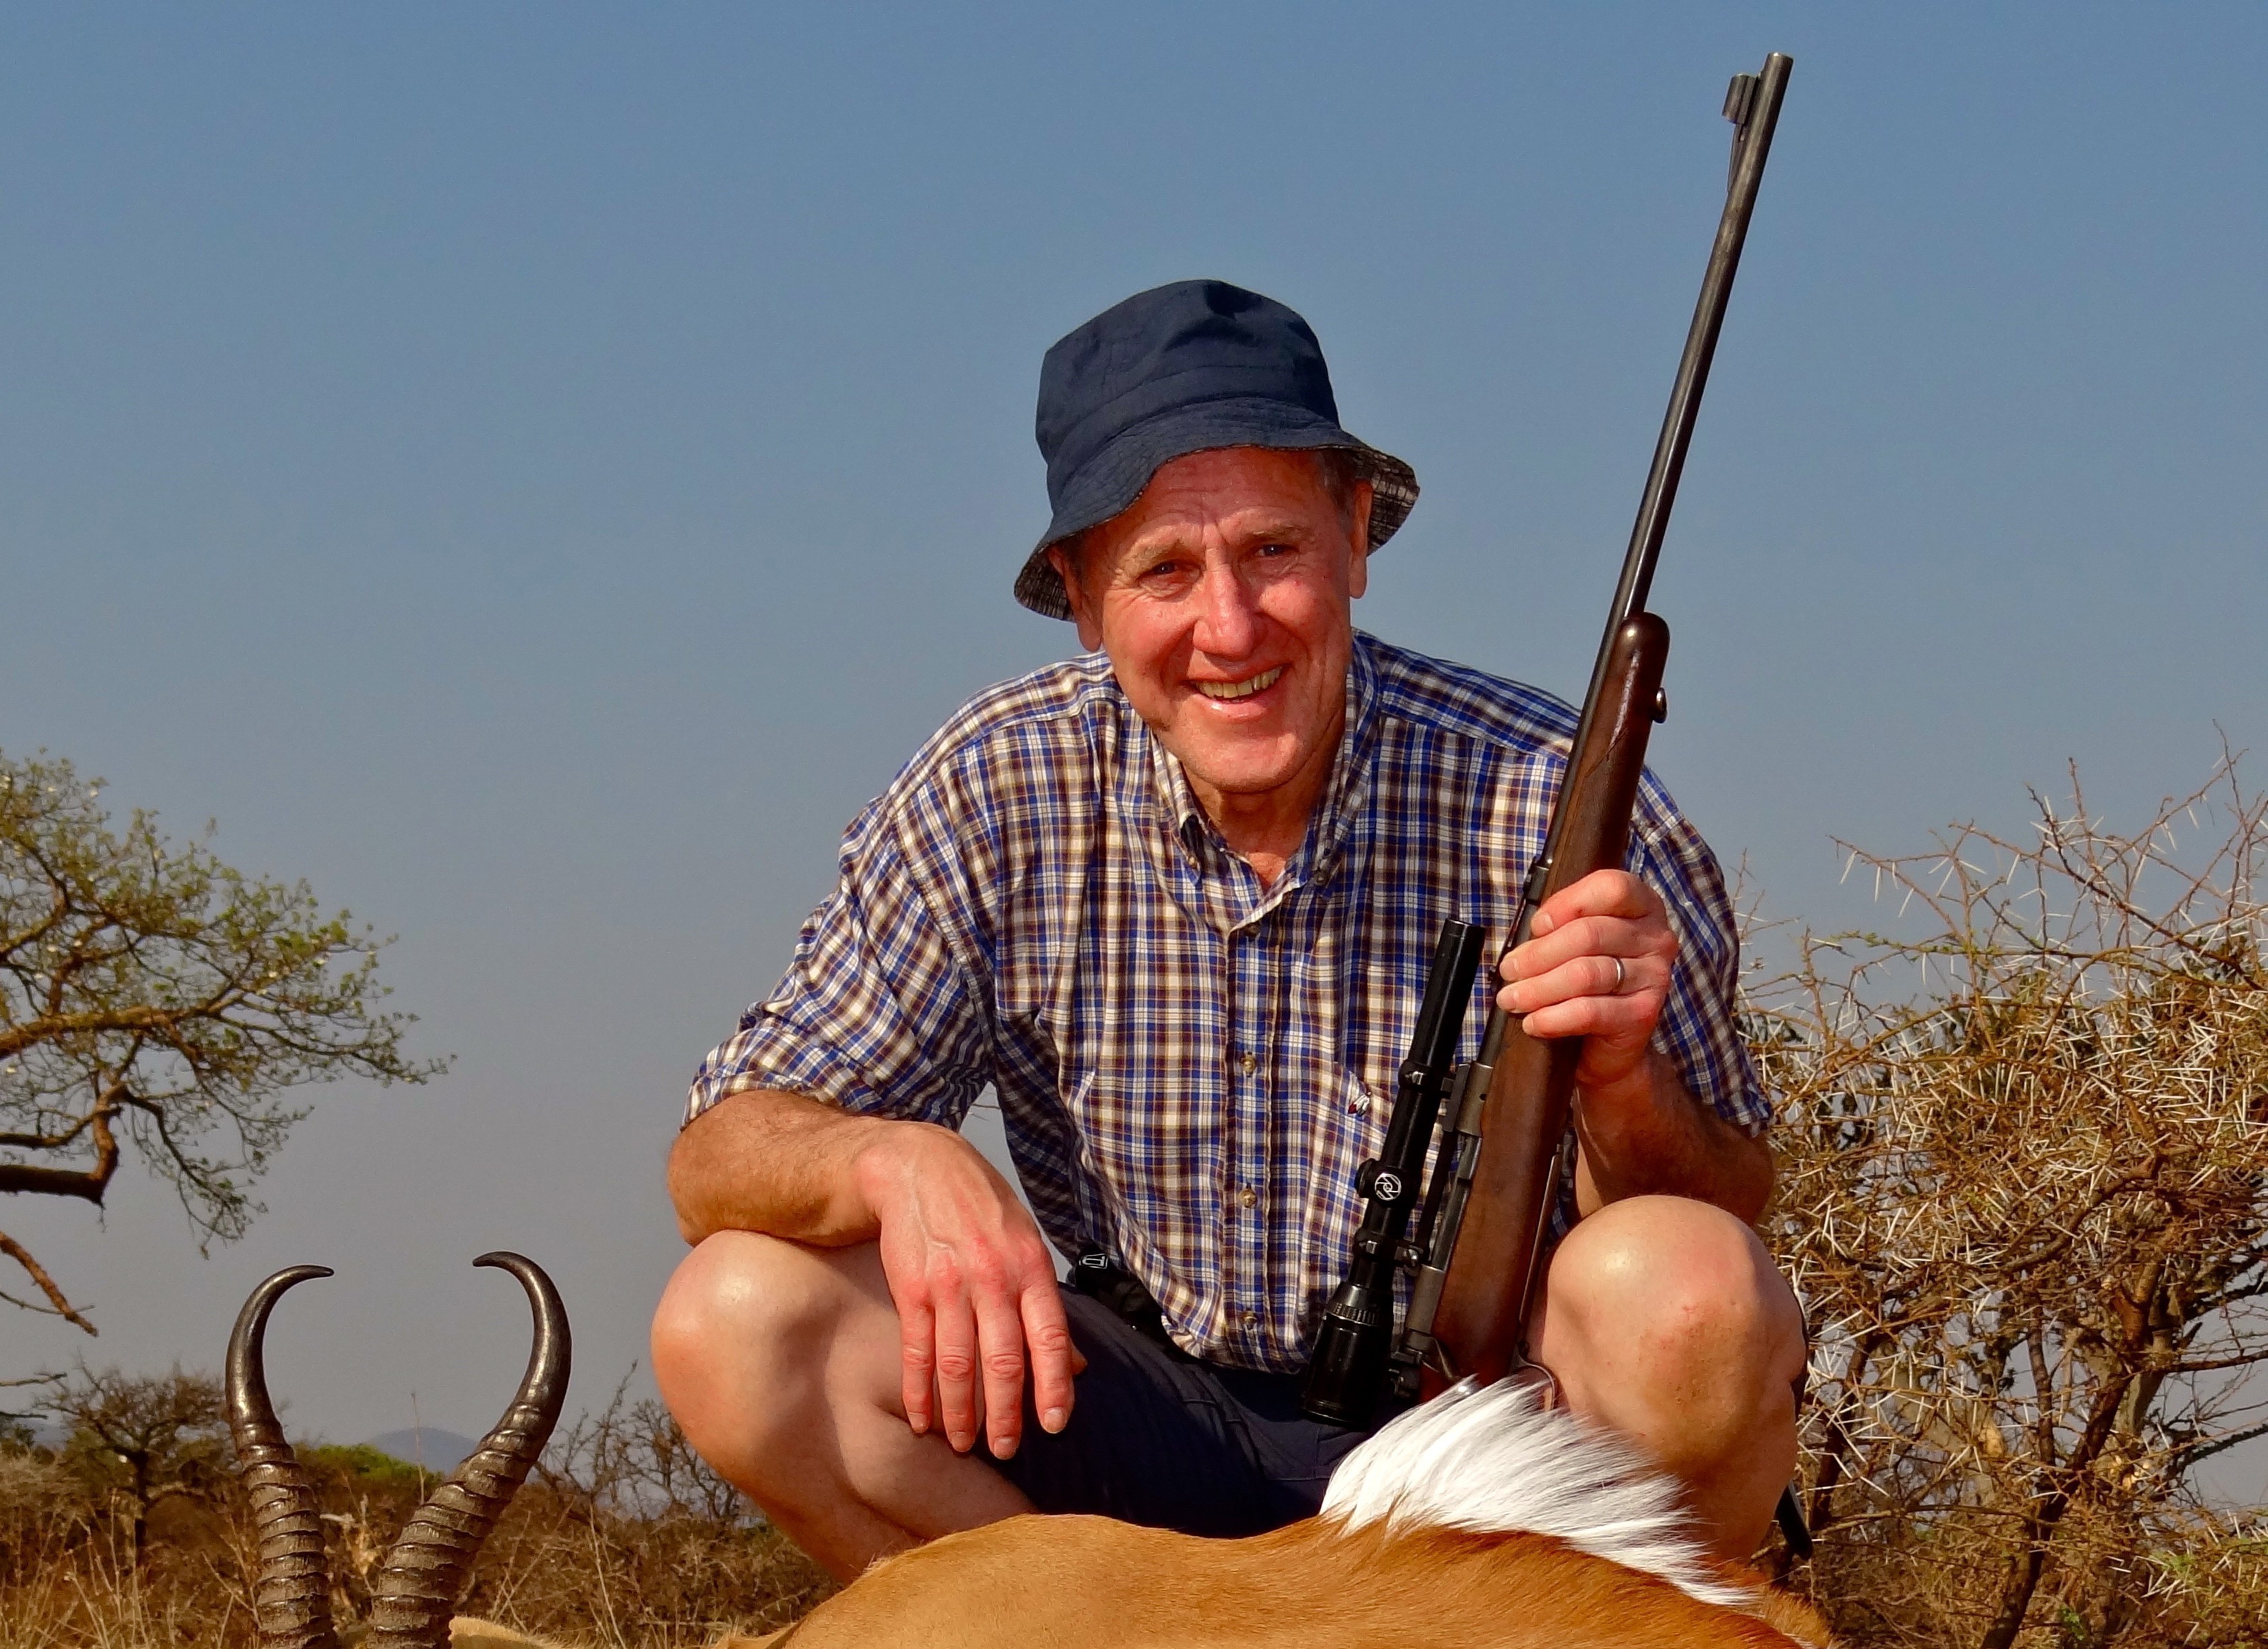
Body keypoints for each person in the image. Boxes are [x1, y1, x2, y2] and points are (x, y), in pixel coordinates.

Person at [653, 279, 1802, 1582]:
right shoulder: (993, 783)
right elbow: (720, 1154)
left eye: (1273, 550)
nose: (1230, 629)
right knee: (738, 1321)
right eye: (1163, 571)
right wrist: (891, 1159)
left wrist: (1623, 1082)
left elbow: (1727, 1216)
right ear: (1084, 601)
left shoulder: (1557, 792)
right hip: (1138, 1421)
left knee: (1690, 1288)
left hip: (1488, 1445)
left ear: (1355, 537)